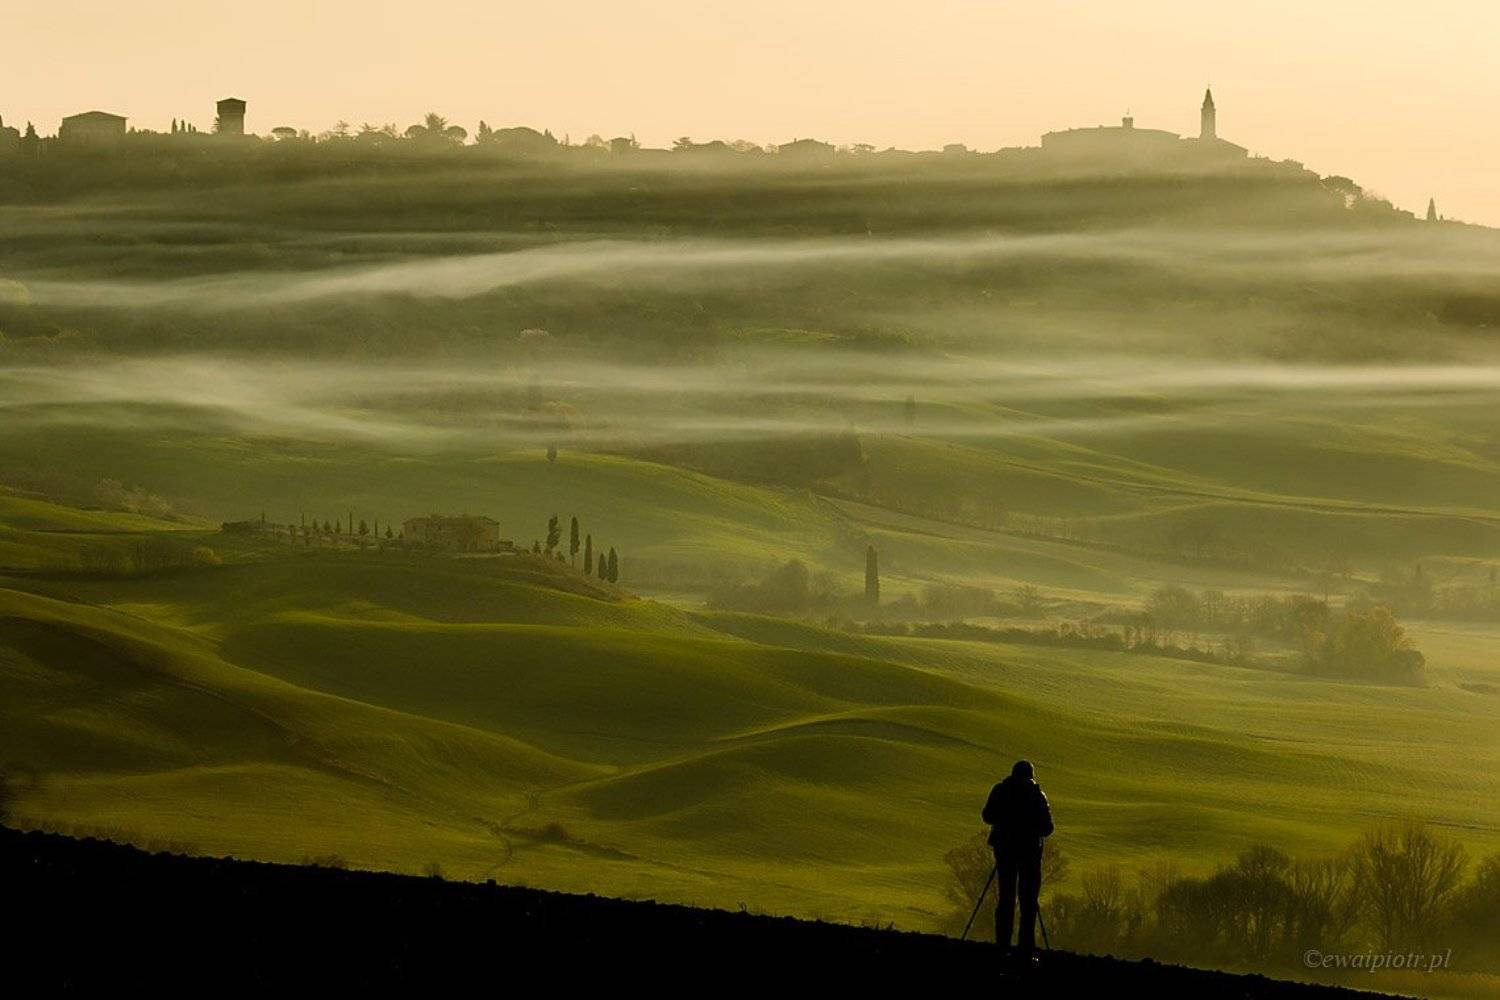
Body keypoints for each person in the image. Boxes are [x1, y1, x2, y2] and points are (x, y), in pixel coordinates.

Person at [981, 759, 1053, 959]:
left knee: (1006, 898)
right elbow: (1048, 828)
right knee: (1028, 901)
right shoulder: (1037, 795)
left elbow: (987, 815)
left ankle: (1002, 944)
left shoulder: (1001, 790)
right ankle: (1025, 947)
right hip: (1029, 853)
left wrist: (1005, 820)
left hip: (1005, 851)